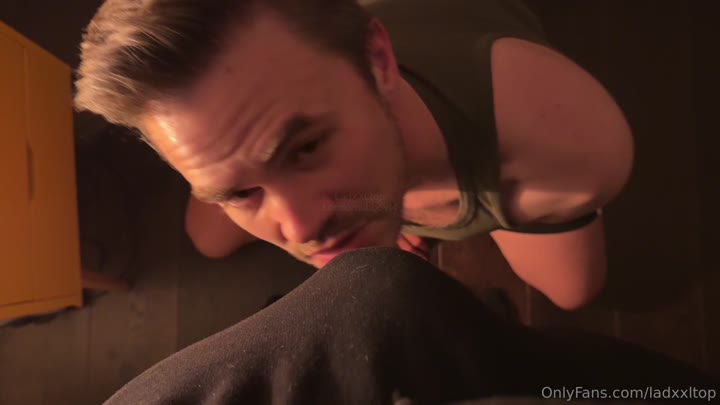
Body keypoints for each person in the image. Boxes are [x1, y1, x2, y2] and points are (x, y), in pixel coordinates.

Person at [74, 0, 633, 312]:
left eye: (307, 147)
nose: (299, 229)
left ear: (379, 61)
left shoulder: (569, 149)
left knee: (574, 293)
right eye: (239, 191)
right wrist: (374, 216)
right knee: (206, 239)